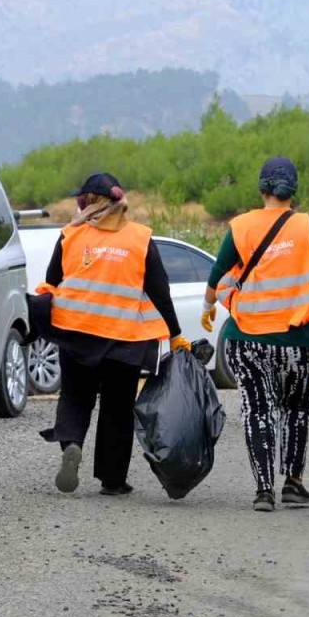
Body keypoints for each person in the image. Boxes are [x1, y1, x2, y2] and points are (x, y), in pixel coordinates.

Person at [201, 157, 309, 512]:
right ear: (293, 191)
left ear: (262, 189)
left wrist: (207, 308)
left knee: (257, 409)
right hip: (297, 340)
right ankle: (293, 482)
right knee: (295, 409)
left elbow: (217, 276)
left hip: (247, 340)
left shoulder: (241, 226)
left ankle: (264, 490)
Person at [35, 173, 190, 496]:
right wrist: (175, 335)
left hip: (75, 334)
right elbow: (159, 291)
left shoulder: (70, 236)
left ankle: (72, 445)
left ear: (88, 202)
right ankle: (112, 479)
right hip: (125, 338)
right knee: (117, 408)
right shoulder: (140, 239)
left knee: (76, 398)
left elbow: (52, 280)